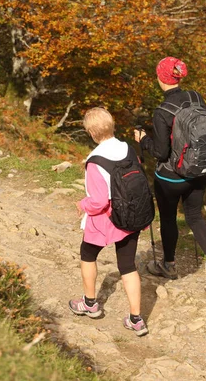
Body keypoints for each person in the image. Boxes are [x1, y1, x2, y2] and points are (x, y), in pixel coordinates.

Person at [133, 56, 206, 293]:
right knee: (195, 216)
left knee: (168, 218)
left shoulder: (162, 111)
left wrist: (143, 139)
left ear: (160, 78)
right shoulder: (196, 97)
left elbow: (161, 152)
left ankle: (169, 265)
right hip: (199, 170)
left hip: (171, 178)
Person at [69, 107, 148, 336]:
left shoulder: (95, 161)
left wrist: (81, 204)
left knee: (88, 254)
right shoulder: (128, 149)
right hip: (131, 215)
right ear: (112, 125)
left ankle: (90, 304)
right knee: (128, 266)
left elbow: (99, 201)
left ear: (92, 133)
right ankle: (136, 319)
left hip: (106, 220)